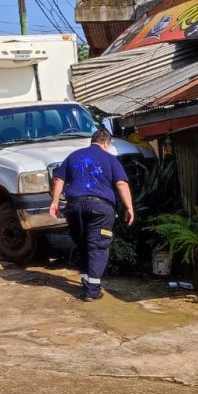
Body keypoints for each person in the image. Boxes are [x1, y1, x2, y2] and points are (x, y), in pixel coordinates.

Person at [48, 129, 134, 301]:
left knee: (83, 243)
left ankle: (86, 281)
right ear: (106, 143)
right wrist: (129, 207)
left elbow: (58, 180)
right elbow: (121, 183)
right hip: (100, 208)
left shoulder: (74, 156)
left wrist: (55, 202)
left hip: (75, 207)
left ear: (92, 141)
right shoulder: (110, 158)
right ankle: (92, 291)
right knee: (97, 246)